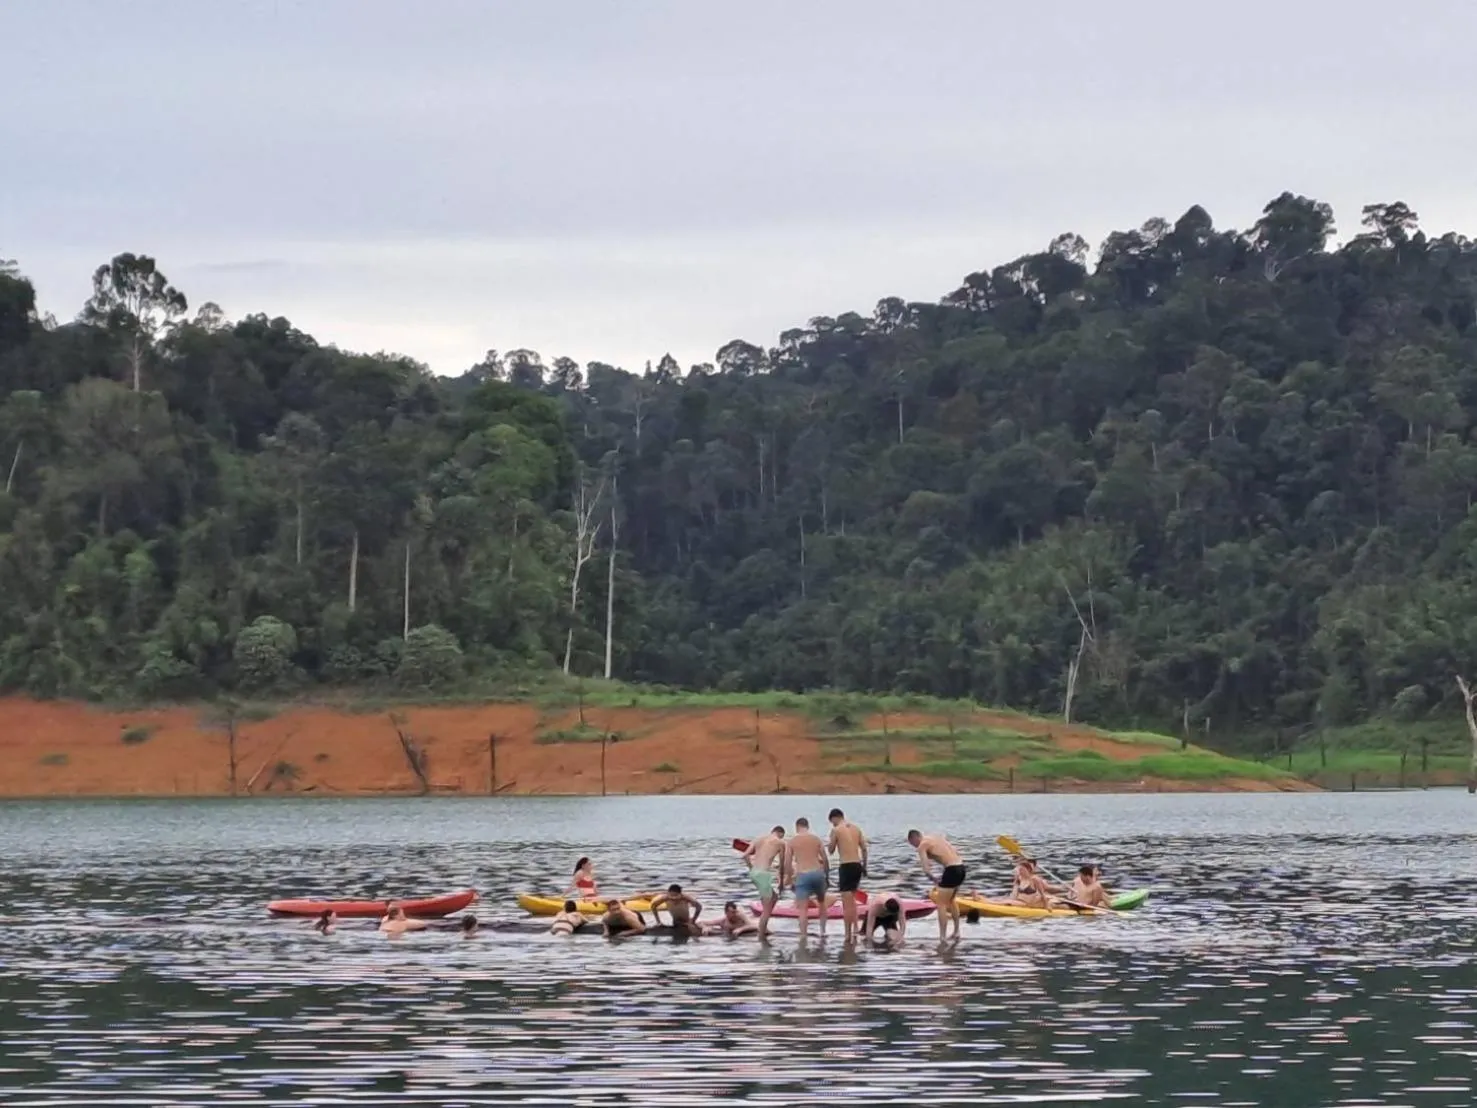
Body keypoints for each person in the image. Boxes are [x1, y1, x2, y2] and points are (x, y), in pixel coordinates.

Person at [907, 829, 966, 940]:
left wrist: (933, 879)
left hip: (952, 869)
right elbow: (954, 851)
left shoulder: (922, 845)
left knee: (941, 904)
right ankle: (957, 932)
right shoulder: (935, 838)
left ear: (914, 838)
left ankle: (942, 937)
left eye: (912, 844)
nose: (914, 847)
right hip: (961, 868)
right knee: (951, 900)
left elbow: (926, 869)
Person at [827, 807, 869, 943]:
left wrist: (831, 841)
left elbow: (831, 850)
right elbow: (864, 848)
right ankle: (856, 929)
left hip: (846, 865)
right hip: (857, 865)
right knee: (852, 900)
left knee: (846, 903)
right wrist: (865, 866)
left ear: (834, 818)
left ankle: (847, 934)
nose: (832, 824)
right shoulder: (856, 828)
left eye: (832, 822)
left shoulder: (836, 829)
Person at [785, 817, 830, 939]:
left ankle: (803, 936)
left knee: (803, 910)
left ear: (796, 827)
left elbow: (787, 863)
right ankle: (823, 931)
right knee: (822, 903)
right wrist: (827, 876)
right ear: (808, 826)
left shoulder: (792, 841)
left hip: (803, 875)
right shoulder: (816, 839)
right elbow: (825, 859)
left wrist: (789, 878)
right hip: (817, 873)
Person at [741, 825, 787, 939]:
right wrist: (781, 882)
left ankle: (763, 926)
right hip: (764, 874)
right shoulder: (780, 843)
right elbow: (782, 865)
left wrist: (751, 868)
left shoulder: (759, 839)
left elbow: (745, 855)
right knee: (767, 909)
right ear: (781, 834)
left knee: (774, 897)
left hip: (754, 873)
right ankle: (761, 936)